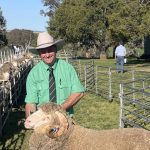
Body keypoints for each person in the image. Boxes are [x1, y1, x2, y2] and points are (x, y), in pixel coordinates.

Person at [25, 32, 85, 118]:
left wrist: (59, 109)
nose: (47, 55)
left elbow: (78, 92)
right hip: (43, 121)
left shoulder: (68, 69)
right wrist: (31, 119)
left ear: (55, 49)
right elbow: (31, 102)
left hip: (65, 119)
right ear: (39, 53)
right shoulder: (33, 74)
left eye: (50, 50)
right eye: (43, 52)